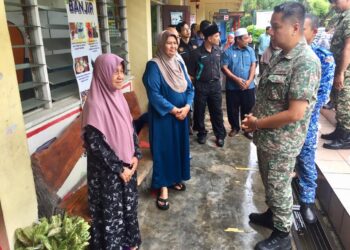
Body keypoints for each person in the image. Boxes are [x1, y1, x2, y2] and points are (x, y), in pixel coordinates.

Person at [242, 2, 321, 249]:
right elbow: (268, 96)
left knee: (279, 186)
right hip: (267, 137)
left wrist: (258, 123)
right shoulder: (279, 56)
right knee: (269, 181)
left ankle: (283, 234)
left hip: (282, 142)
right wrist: (252, 120)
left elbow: (296, 113)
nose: (271, 32)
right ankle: (273, 214)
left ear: (295, 27)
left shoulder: (305, 62)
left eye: (276, 27)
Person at [82, 54, 142, 250]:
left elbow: (130, 129)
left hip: (127, 167)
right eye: (114, 71)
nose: (119, 76)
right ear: (102, 73)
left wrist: (135, 156)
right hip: (108, 175)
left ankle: (130, 244)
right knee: (112, 216)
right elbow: (95, 145)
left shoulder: (119, 98)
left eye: (121, 71)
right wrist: (119, 168)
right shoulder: (94, 105)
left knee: (129, 209)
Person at [142, 30, 194, 210]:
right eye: (168, 43)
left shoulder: (179, 61)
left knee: (178, 149)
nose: (173, 46)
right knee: (164, 150)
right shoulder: (154, 66)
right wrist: (173, 110)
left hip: (182, 116)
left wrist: (187, 107)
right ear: (161, 44)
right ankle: (163, 187)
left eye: (175, 43)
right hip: (164, 117)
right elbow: (154, 95)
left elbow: (190, 88)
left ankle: (174, 179)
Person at [296, 14, 335, 224]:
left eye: (303, 30)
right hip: (284, 121)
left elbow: (322, 94)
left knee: (306, 159)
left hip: (306, 120)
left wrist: (299, 113)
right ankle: (277, 207)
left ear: (313, 32)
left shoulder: (323, 57)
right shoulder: (288, 55)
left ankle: (306, 202)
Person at [188, 22, 227, 147]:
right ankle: (201, 132)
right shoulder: (196, 53)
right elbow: (191, 73)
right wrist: (196, 84)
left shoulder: (218, 51)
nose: (218, 39)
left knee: (217, 111)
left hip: (215, 86)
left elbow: (219, 67)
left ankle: (220, 135)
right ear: (209, 38)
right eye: (216, 36)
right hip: (201, 86)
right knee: (199, 111)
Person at [322, 0, 350, 150]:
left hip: (346, 71)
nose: (334, 5)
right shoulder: (343, 17)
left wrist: (341, 73)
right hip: (339, 68)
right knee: (338, 101)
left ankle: (346, 138)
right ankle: (340, 132)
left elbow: (348, 47)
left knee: (345, 104)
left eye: (336, 1)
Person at [222, 28, 256, 139]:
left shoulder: (250, 50)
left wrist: (249, 81)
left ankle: (247, 129)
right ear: (238, 40)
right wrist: (236, 79)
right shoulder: (228, 52)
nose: (248, 40)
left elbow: (253, 66)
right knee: (233, 109)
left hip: (248, 86)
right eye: (246, 38)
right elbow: (224, 68)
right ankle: (235, 128)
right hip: (232, 87)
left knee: (248, 108)